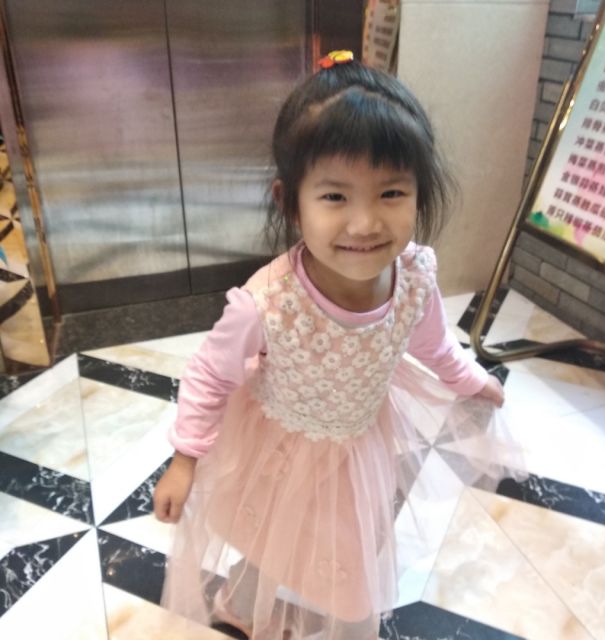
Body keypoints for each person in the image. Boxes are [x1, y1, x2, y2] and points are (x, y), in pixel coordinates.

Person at [153, 50, 507, 639]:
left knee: (348, 553)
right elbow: (211, 374)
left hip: (358, 448)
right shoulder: (267, 302)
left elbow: (435, 344)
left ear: (420, 194)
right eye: (335, 197)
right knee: (273, 536)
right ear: (290, 202)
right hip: (280, 445)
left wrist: (472, 381)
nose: (365, 223)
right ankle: (247, 601)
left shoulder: (415, 277)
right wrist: (185, 458)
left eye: (390, 193)